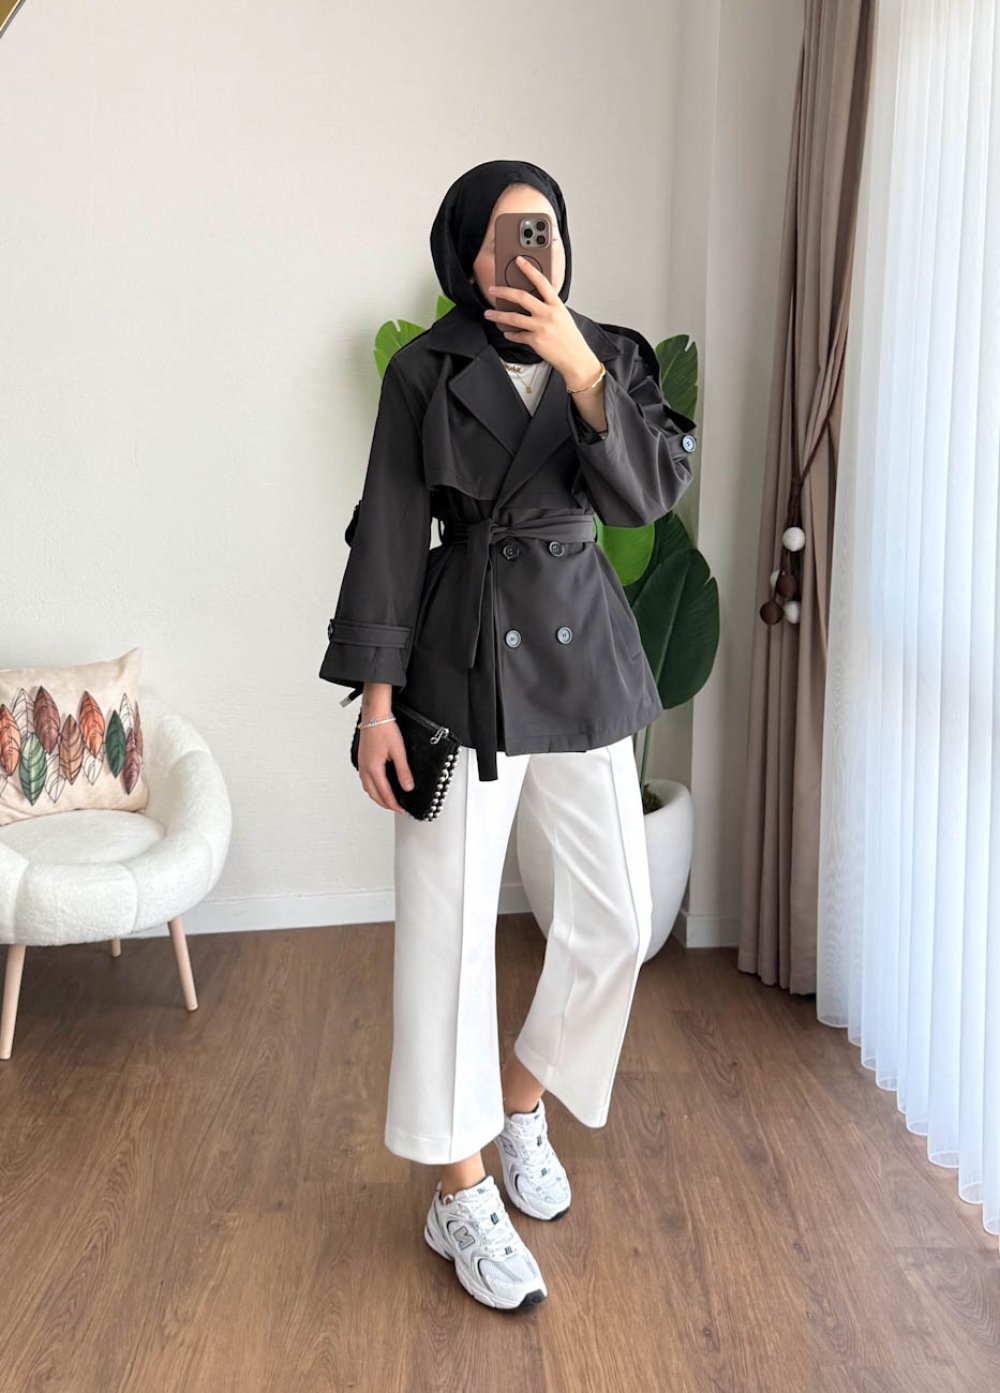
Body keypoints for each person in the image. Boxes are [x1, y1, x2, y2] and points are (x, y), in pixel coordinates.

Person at [319, 159, 697, 1312]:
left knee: (618, 915)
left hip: (584, 663)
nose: (527, 251)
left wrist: (580, 368)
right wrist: (375, 706)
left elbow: (646, 497)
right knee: (446, 933)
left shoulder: (614, 356)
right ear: (464, 255)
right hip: (461, 667)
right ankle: (457, 1181)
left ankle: (520, 1097)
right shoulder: (425, 370)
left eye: (543, 229)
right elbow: (390, 534)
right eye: (502, 235)